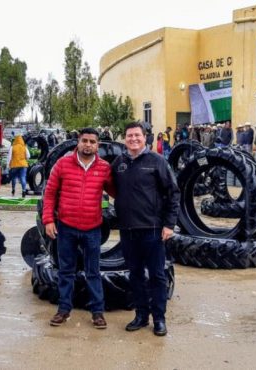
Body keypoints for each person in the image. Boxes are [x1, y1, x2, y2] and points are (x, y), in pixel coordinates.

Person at [111, 122, 180, 337]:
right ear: (125, 139)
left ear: (144, 138)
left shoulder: (157, 161)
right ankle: (141, 316)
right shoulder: (119, 163)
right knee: (135, 275)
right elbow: (110, 187)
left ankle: (159, 319)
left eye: (137, 135)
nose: (133, 139)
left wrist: (169, 224)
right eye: (129, 135)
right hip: (128, 230)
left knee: (157, 276)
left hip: (152, 230)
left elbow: (173, 193)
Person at [42, 128, 114, 327]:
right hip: (66, 228)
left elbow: (118, 192)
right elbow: (49, 194)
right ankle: (63, 310)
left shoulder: (104, 168)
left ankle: (97, 312)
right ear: (78, 142)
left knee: (93, 271)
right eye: (85, 140)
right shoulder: (63, 164)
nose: (88, 145)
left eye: (92, 141)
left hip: (93, 229)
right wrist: (48, 220)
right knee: (66, 271)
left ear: (97, 145)